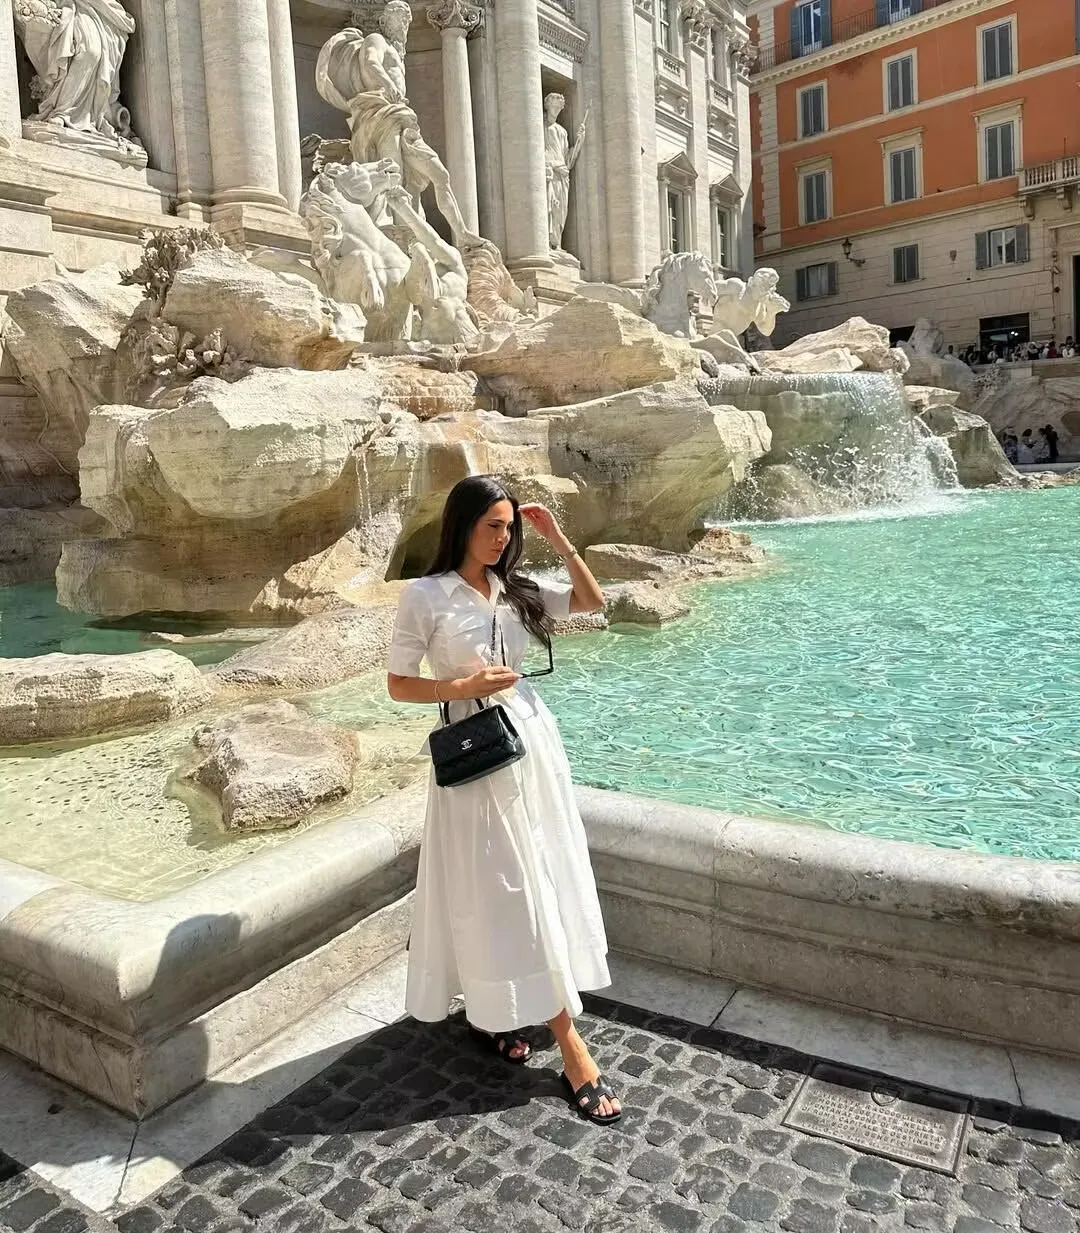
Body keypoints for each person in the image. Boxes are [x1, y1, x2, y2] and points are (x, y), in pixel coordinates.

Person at [386, 475, 622, 1126]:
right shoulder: (425, 595)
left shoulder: (514, 588)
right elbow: (399, 683)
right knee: (500, 887)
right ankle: (570, 1045)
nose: (502, 537)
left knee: (534, 877)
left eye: (509, 527)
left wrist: (558, 539)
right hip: (475, 754)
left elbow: (591, 600)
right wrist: (461, 685)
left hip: (531, 742)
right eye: (493, 525)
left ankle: (496, 1013)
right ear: (462, 524)